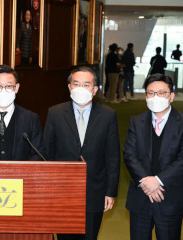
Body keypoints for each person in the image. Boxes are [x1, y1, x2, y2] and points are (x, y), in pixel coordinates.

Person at [44, 66, 120, 240]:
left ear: (94, 90)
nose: (80, 88)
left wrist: (110, 191)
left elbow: (113, 156)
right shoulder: (55, 113)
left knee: (90, 236)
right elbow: (47, 153)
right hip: (62, 191)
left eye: (86, 85)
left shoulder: (108, 115)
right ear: (69, 87)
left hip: (95, 190)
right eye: (76, 84)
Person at [123, 73, 183, 240]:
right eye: (150, 93)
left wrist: (157, 181)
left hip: (169, 197)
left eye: (161, 93)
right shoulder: (136, 121)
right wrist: (145, 181)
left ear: (171, 96)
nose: (155, 97)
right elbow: (129, 154)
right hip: (140, 198)